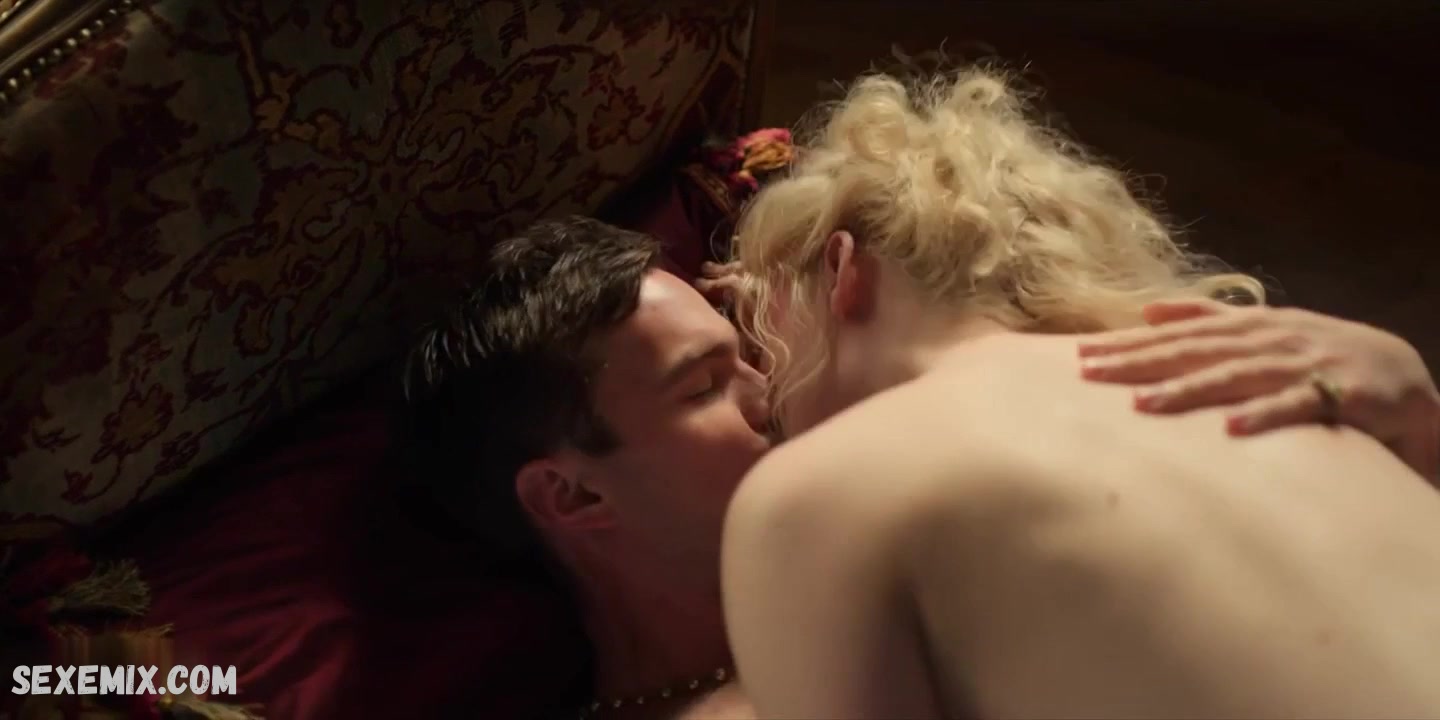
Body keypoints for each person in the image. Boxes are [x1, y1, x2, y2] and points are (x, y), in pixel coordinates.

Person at [398, 225, 1436, 718]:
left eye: (748, 354)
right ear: (572, 493)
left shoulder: (902, 525)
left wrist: (1407, 413)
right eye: (704, 385)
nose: (768, 390)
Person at [719, 65, 1440, 719]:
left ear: (841, 268)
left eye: (757, 319)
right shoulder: (1297, 388)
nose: (760, 382)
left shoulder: (819, 489)